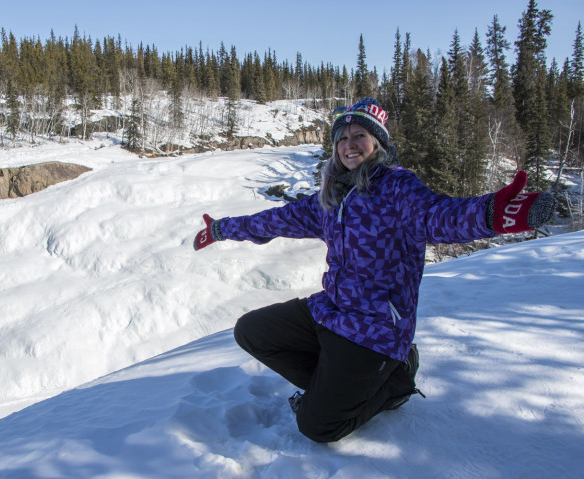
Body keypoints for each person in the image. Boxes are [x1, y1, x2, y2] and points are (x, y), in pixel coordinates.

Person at [192, 97, 555, 443]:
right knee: (251, 331)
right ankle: (334, 385)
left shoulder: (397, 188)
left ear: (377, 143)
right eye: (343, 138)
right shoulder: (331, 198)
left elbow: (439, 216)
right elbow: (275, 220)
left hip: (376, 328)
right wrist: (223, 228)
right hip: (331, 310)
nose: (350, 145)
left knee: (318, 426)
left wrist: (493, 213)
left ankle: (396, 380)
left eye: (359, 136)